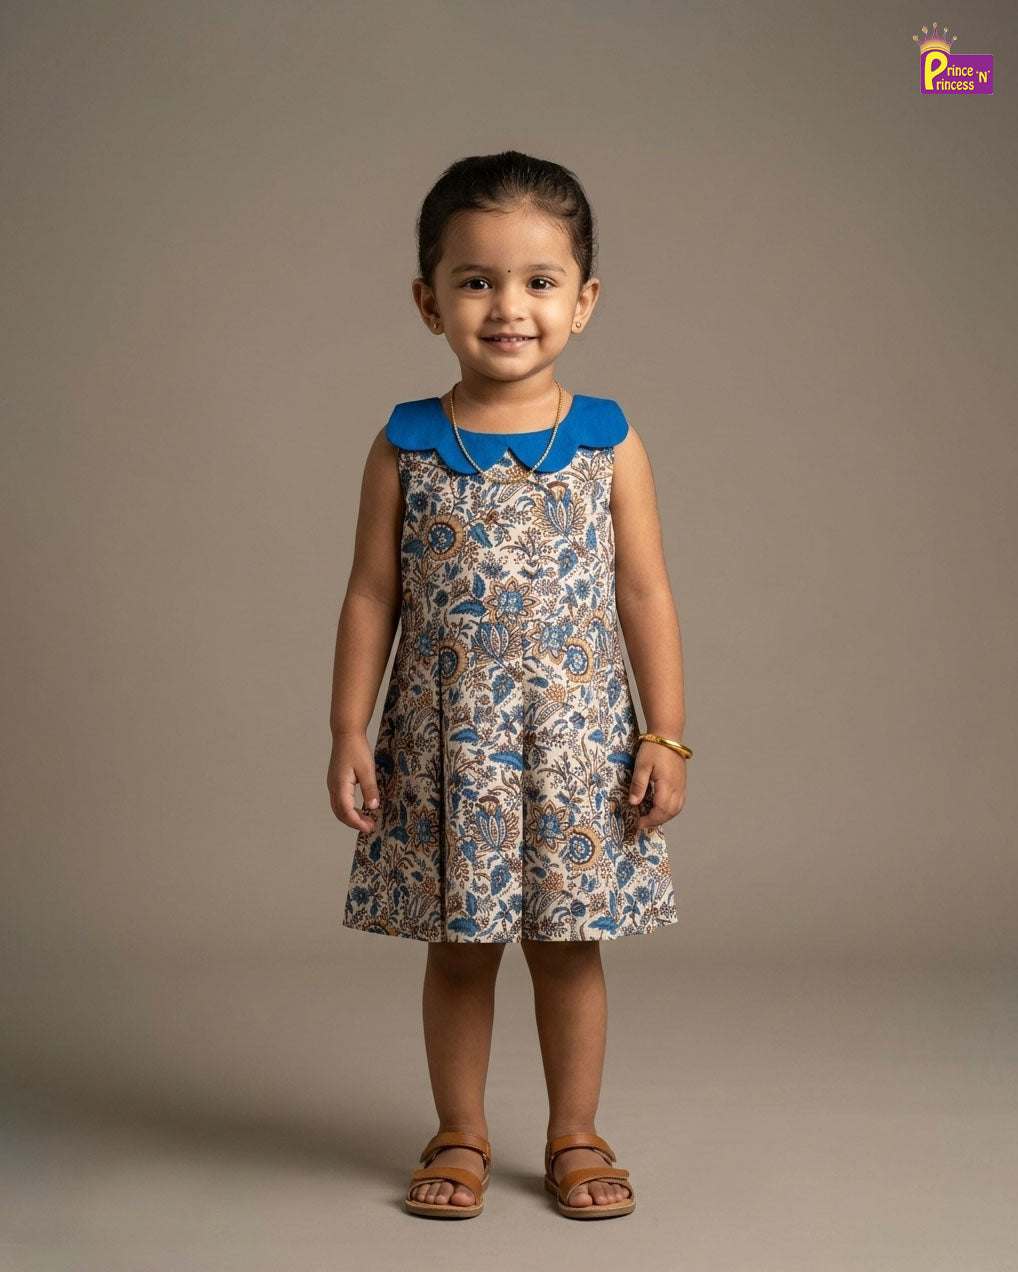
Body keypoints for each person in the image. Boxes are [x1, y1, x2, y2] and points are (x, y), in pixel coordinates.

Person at [326, 150, 691, 1221]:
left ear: (582, 300)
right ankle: (460, 1131)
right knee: (460, 945)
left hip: (577, 742)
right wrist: (348, 729)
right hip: (451, 744)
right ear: (427, 299)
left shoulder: (607, 442)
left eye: (538, 281)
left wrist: (663, 736)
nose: (507, 307)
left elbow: (644, 591)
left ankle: (575, 1132)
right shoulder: (405, 446)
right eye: (475, 280)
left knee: (567, 947)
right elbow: (367, 599)